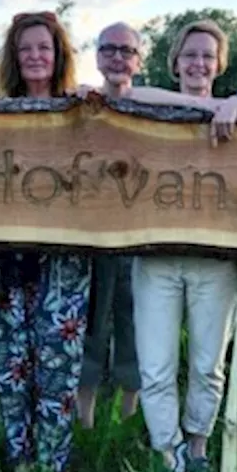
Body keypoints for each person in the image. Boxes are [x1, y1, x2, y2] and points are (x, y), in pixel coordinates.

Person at [118, 19, 237, 472]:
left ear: (219, 63)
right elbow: (132, 95)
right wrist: (202, 108)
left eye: (207, 56)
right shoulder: (153, 107)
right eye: (190, 55)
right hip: (157, 258)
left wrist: (234, 103)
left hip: (214, 262)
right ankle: (168, 455)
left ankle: (197, 447)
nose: (198, 63)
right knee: (156, 365)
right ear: (175, 61)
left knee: (207, 364)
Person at [0, 11, 92, 472]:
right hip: (4, 262)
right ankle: (18, 461)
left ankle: (53, 466)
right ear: (14, 59)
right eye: (26, 50)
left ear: (58, 54)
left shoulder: (81, 108)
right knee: (11, 366)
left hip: (64, 262)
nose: (36, 56)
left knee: (57, 372)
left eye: (44, 47)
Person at [76, 23, 143, 429]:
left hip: (140, 237)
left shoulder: (154, 108)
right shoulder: (82, 104)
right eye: (108, 49)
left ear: (138, 59)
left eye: (126, 50)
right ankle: (85, 425)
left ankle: (126, 425)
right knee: (90, 325)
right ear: (98, 56)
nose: (117, 57)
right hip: (91, 234)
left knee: (134, 324)